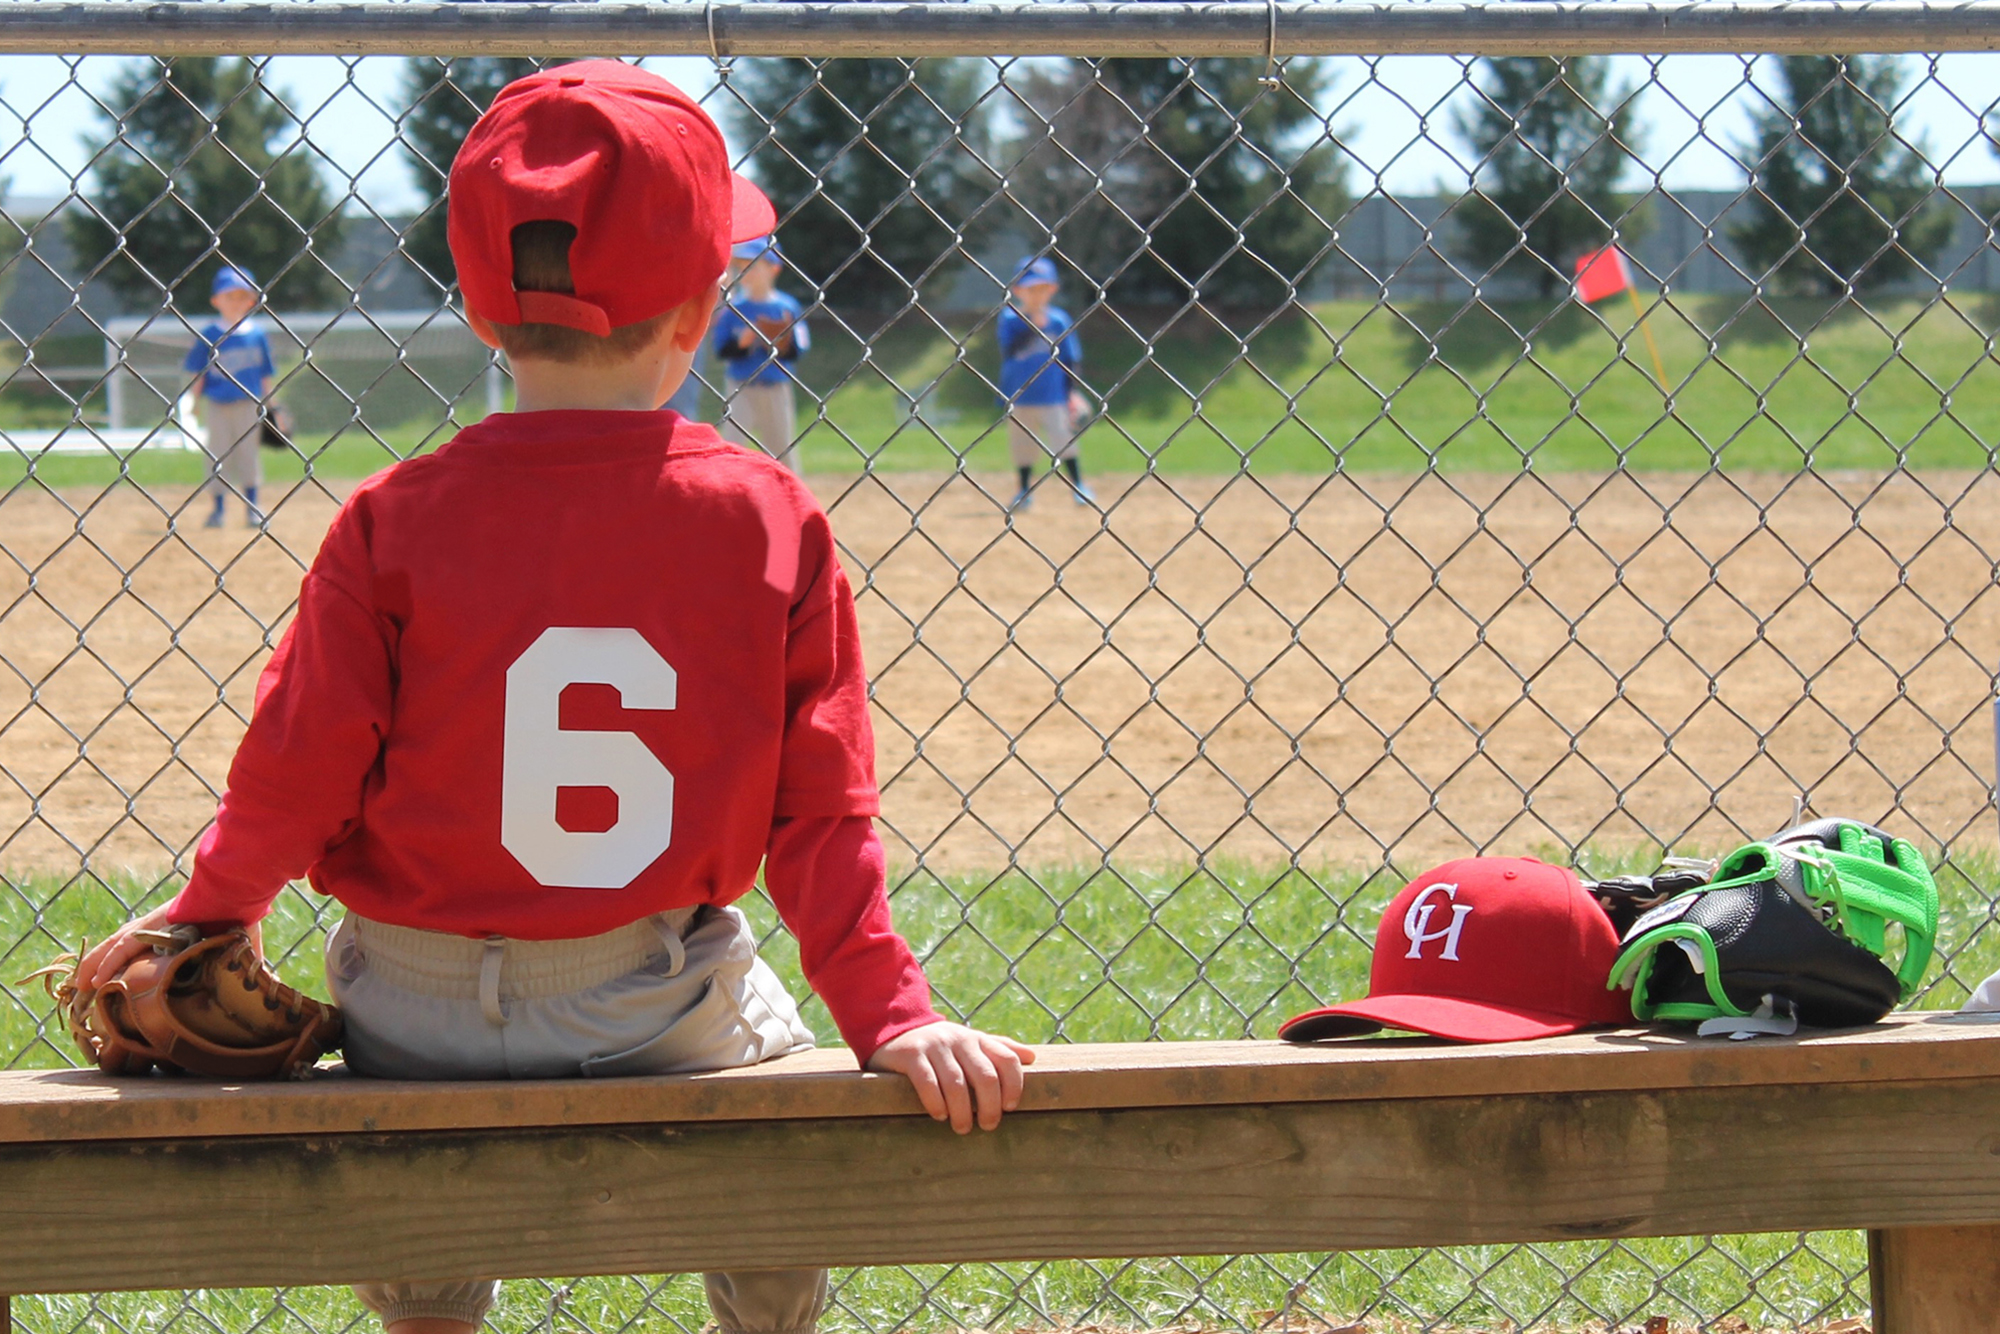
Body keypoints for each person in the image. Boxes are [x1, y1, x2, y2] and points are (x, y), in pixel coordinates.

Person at [78, 60, 1033, 1334]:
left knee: (400, 1108)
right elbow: (820, 814)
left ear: (480, 305)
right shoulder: (766, 515)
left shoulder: (389, 519)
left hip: (412, 1007)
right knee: (774, 1056)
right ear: (700, 311)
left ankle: (431, 1309)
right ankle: (764, 1320)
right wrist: (892, 1015)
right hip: (652, 1000)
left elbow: (294, 770)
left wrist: (206, 914)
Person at [182, 265, 276, 528]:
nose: (236, 302)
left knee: (249, 456)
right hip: (217, 404)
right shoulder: (210, 334)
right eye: (229, 296)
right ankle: (218, 510)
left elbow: (265, 374)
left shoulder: (256, 335)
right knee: (217, 456)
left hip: (249, 404)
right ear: (215, 300)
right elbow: (198, 372)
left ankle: (253, 508)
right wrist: (193, 401)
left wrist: (272, 405)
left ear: (252, 301)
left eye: (242, 296)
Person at [998, 256, 1092, 511]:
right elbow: (1010, 350)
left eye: (1041, 288)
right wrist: (1033, 324)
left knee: (1065, 441)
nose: (1036, 295)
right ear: (1017, 291)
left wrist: (1072, 393)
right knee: (1023, 446)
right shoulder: (1009, 319)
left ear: (1052, 289)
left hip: (1054, 395)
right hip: (1021, 396)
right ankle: (1024, 490)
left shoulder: (1059, 320)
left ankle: (1079, 486)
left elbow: (1071, 360)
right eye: (1030, 289)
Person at [714, 236, 809, 474]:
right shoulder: (733, 307)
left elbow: (798, 350)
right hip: (739, 387)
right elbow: (721, 350)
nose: (746, 271)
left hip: (775, 387)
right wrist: (741, 344)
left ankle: (789, 499)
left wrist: (782, 343)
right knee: (733, 447)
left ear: (773, 269)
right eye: (742, 266)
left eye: (753, 265)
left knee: (782, 450)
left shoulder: (787, 306)